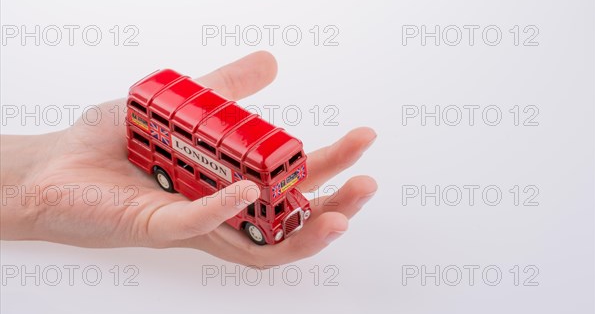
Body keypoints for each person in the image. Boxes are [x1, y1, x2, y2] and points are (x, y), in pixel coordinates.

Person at [0, 51, 377, 266]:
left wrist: (35, 180)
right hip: (198, 157)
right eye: (278, 173)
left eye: (284, 170)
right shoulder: (173, 144)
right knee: (205, 169)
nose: (285, 184)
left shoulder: (277, 190)